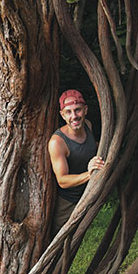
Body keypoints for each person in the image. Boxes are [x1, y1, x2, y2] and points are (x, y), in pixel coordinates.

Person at [48, 89, 105, 234]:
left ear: (85, 110)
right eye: (68, 112)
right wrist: (90, 174)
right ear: (62, 114)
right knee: (61, 244)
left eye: (77, 110)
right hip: (67, 203)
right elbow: (62, 180)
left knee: (79, 240)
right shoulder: (58, 142)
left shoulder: (87, 125)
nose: (74, 116)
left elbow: (88, 147)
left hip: (87, 196)